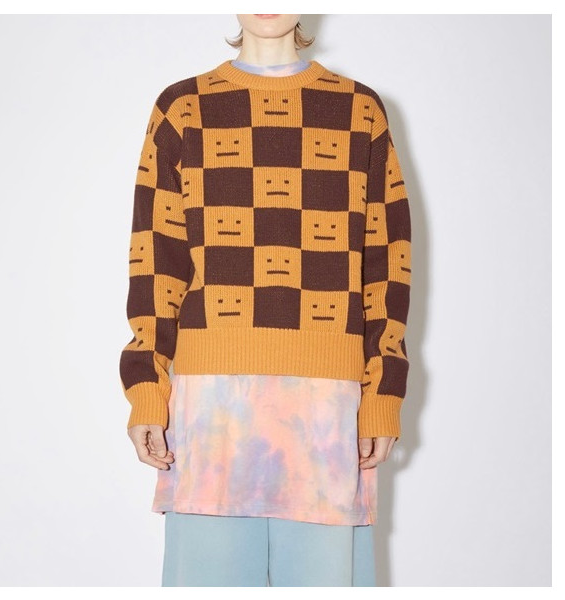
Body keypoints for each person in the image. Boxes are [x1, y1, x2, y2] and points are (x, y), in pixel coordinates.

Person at [119, 14, 412, 587]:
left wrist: (384, 394)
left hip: (328, 407)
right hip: (212, 409)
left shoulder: (360, 110)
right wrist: (146, 391)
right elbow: (155, 263)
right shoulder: (182, 109)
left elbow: (387, 262)